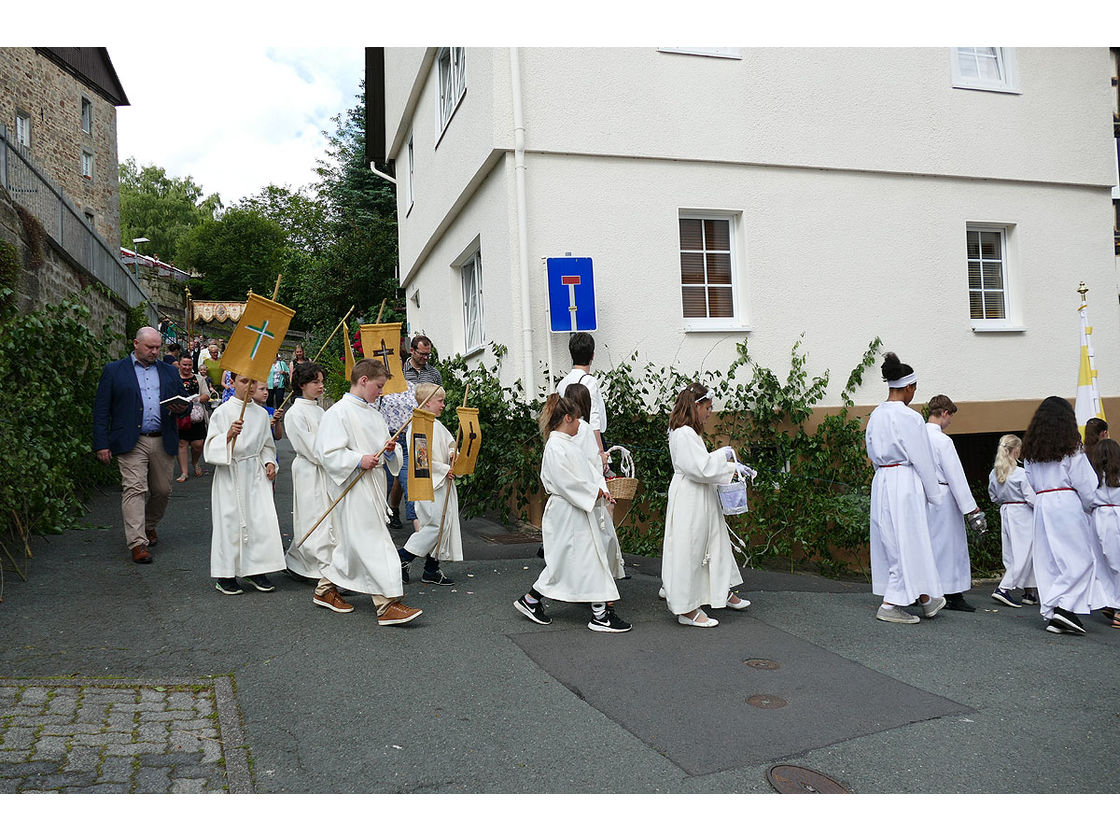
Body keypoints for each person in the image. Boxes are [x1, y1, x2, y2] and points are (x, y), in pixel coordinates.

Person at [314, 359, 422, 626]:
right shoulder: (337, 413)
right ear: (363, 381)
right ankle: (386, 603)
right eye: (378, 386)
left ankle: (325, 589)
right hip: (350, 488)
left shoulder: (374, 414)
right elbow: (326, 453)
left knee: (354, 544)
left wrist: (389, 451)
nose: (381, 392)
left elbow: (389, 453)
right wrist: (358, 460)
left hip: (373, 487)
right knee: (376, 544)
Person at [513, 393, 632, 633]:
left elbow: (583, 474)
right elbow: (568, 482)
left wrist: (599, 488)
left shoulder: (565, 444)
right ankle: (599, 614)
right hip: (568, 512)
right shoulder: (557, 447)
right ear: (567, 418)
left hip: (576, 510)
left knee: (574, 562)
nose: (580, 423)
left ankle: (532, 600)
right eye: (577, 419)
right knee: (587, 559)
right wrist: (595, 492)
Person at [660, 382, 753, 628]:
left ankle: (720, 590)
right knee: (691, 548)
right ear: (696, 406)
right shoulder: (683, 433)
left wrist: (722, 454)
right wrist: (732, 467)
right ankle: (687, 607)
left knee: (714, 542)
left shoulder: (688, 432)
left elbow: (700, 462)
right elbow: (698, 468)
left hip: (700, 495)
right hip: (691, 497)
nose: (710, 413)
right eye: (708, 408)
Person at [92, 326, 188, 564]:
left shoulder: (169, 371)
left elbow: (182, 401)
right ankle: (137, 543)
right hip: (130, 441)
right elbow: (102, 410)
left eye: (158, 347)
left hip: (162, 437)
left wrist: (181, 408)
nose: (155, 352)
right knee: (134, 489)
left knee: (163, 491)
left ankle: (149, 525)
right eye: (150, 347)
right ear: (136, 344)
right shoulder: (114, 371)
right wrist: (101, 443)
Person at [865, 352, 947, 624]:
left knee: (894, 540)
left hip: (883, 481)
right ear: (909, 387)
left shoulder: (876, 415)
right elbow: (923, 458)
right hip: (904, 481)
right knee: (908, 540)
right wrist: (934, 494)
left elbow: (872, 451)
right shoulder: (910, 418)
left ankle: (925, 597)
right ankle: (891, 604)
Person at [1021, 396, 1098, 635]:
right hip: (1066, 502)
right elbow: (1087, 485)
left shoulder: (1032, 451)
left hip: (1043, 504)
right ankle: (1064, 608)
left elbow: (1031, 482)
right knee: (1080, 560)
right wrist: (1090, 507)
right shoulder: (1071, 449)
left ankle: (1058, 610)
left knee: (1050, 562)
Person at [203, 373, 285, 595]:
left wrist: (269, 462)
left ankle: (256, 569)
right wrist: (228, 435)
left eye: (253, 381)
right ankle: (226, 575)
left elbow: (267, 445)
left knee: (258, 522)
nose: (249, 386)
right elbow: (210, 448)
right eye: (243, 381)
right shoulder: (222, 413)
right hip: (232, 472)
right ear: (232, 383)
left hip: (255, 474)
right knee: (230, 522)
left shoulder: (260, 414)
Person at [283, 363, 342, 601]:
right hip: (309, 468)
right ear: (302, 385)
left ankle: (307, 561)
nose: (321, 386)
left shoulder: (321, 411)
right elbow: (308, 446)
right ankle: (313, 566)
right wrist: (334, 459)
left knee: (327, 516)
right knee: (312, 514)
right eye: (316, 382)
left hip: (326, 469)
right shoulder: (294, 413)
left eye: (321, 381)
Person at [924, 395, 985, 612]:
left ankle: (927, 591)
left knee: (928, 545)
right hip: (944, 496)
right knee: (950, 547)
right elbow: (955, 475)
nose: (950, 423)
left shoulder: (918, 436)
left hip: (923, 495)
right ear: (945, 413)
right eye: (950, 418)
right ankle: (952, 593)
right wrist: (970, 507)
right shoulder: (943, 441)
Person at [398, 384, 462, 586]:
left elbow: (451, 444)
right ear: (427, 403)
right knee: (435, 526)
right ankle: (402, 558)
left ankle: (431, 569)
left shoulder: (437, 424)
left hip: (442, 483)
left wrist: (453, 454)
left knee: (442, 524)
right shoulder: (418, 426)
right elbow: (421, 461)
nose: (443, 405)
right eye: (440, 401)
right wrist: (444, 469)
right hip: (428, 483)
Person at [564, 382, 625, 581]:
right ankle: (598, 583)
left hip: (572, 494)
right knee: (599, 539)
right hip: (591, 492)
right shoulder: (586, 428)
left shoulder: (562, 432)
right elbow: (592, 462)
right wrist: (603, 460)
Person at [988, 434, 1038, 608]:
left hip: (1006, 511)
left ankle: (1029, 592)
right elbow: (1031, 498)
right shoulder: (1021, 473)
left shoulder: (994, 473)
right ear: (1016, 450)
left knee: (1012, 553)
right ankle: (1004, 588)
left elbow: (993, 497)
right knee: (1024, 553)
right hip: (1022, 513)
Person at [554, 332, 608, 472]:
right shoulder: (590, 382)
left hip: (567, 438)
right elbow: (594, 419)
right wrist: (601, 453)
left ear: (571, 354)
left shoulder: (562, 384)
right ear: (592, 356)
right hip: (589, 440)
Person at [376, 381, 418, 531]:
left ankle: (420, 539)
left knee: (411, 487)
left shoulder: (412, 387)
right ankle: (376, 529)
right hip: (386, 441)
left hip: (408, 440)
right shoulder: (378, 387)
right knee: (382, 486)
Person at [1087, 438, 1120, 629]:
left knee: (1103, 562)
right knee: (1117, 563)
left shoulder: (1094, 477)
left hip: (1098, 518)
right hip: (1116, 516)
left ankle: (1108, 600)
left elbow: (1086, 498)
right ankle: (1117, 608)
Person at [175, 353, 215, 482]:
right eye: (184, 365)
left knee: (198, 444)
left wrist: (197, 399)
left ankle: (195, 461)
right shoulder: (174, 378)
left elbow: (207, 395)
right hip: (180, 415)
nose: (187, 367)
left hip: (196, 415)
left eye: (189, 365)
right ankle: (184, 472)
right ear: (179, 365)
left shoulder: (198, 378)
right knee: (182, 443)